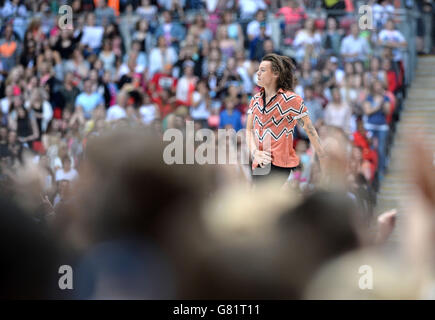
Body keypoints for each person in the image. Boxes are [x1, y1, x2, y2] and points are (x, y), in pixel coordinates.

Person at [245, 53, 325, 185]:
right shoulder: (255, 100)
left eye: (263, 70)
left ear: (275, 74)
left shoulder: (291, 100)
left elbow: (309, 129)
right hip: (259, 162)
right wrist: (254, 152)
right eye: (258, 69)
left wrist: (323, 158)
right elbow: (248, 131)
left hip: (280, 164)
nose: (258, 73)